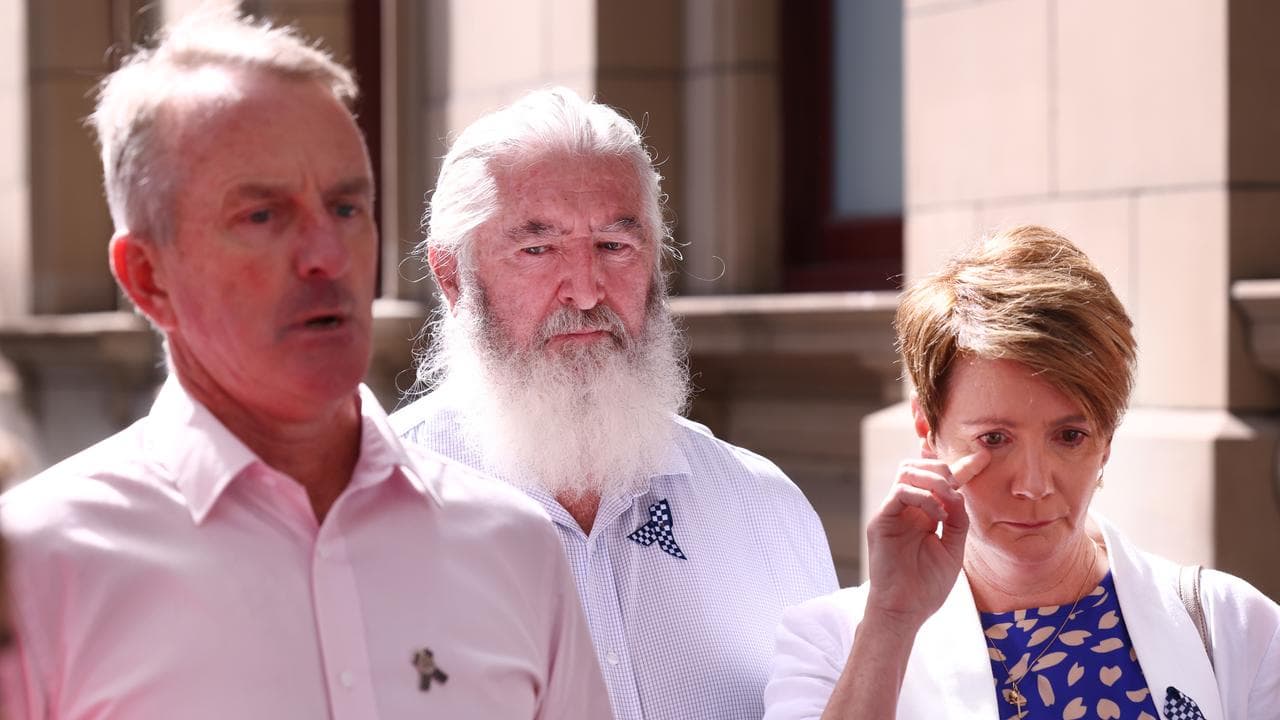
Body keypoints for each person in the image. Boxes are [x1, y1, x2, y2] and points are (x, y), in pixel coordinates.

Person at [0, 12, 611, 719]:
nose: (326, 253)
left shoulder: (513, 547)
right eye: (263, 215)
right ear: (146, 276)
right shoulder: (41, 568)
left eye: (348, 206)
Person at [391, 86, 838, 720]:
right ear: (453, 276)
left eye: (614, 246)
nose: (584, 291)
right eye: (537, 249)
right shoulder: (378, 507)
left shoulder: (762, 507)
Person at [763, 225, 1280, 719]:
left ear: (1107, 438)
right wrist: (891, 622)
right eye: (994, 439)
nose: (1033, 485)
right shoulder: (830, 641)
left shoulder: (1233, 625)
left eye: (1069, 436)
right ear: (927, 427)